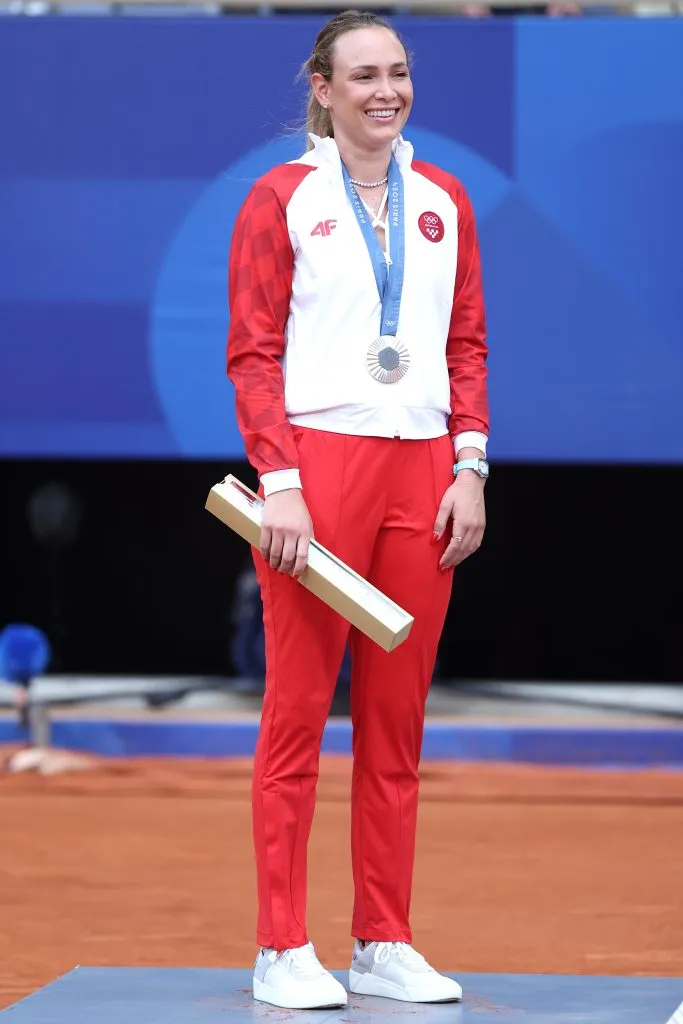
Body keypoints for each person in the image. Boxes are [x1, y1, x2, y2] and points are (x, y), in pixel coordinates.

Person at [226, 8, 489, 1010]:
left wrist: (469, 467)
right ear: (322, 88)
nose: (386, 90)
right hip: (317, 470)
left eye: (399, 72)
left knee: (396, 724)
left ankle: (382, 936)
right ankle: (279, 945)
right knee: (295, 715)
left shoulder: (444, 200)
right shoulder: (279, 198)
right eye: (363, 74)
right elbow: (252, 351)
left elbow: (464, 345)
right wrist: (279, 479)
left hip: (422, 469)